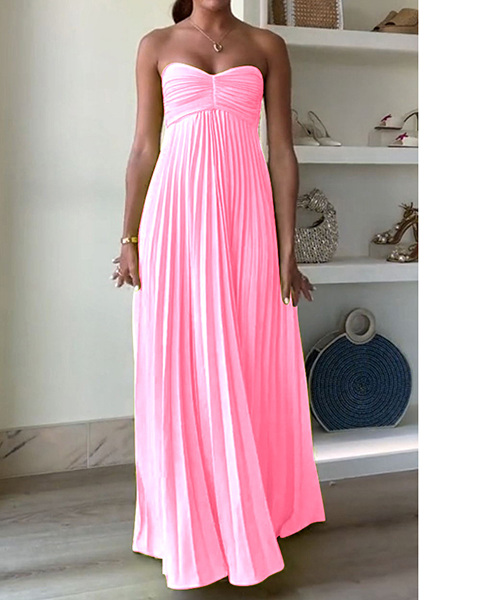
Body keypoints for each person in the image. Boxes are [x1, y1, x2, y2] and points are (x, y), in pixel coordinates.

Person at [111, 0, 326, 590]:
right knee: (179, 360)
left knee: (251, 351)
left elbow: (281, 151)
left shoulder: (268, 46)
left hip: (246, 216)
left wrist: (288, 248)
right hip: (176, 218)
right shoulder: (156, 45)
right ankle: (187, 516)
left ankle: (256, 505)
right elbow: (144, 148)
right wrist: (129, 237)